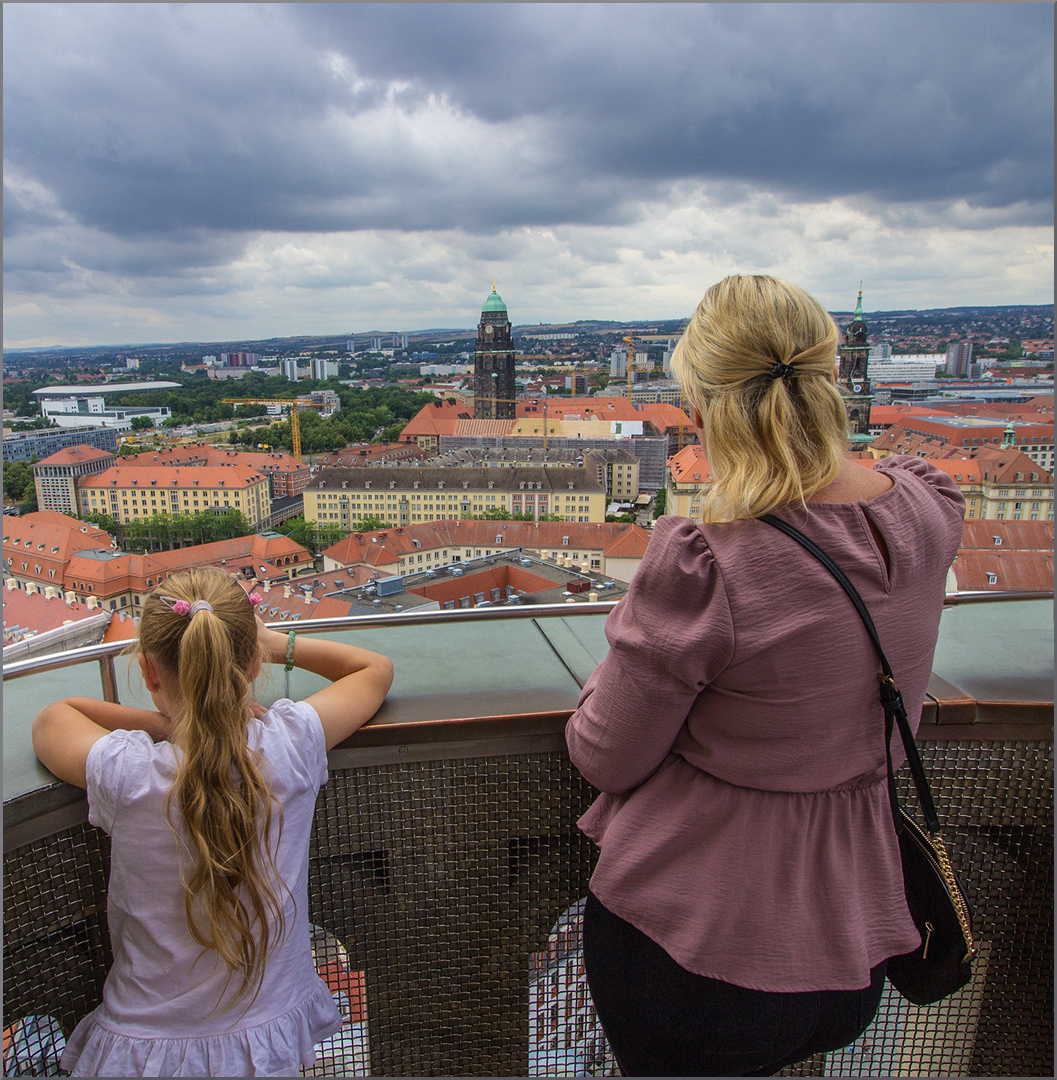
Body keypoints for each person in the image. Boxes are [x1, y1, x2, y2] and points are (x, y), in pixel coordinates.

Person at [565, 275, 965, 1077]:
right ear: (827, 379)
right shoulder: (926, 505)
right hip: (855, 935)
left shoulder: (707, 557)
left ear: (704, 405)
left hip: (702, 946)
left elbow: (604, 755)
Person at [31, 566, 394, 1077]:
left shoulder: (131, 773)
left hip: (144, 1047)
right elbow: (374, 670)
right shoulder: (287, 747)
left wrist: (169, 725)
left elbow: (54, 716)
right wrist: (274, 643)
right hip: (262, 1044)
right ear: (249, 664)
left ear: (149, 672)